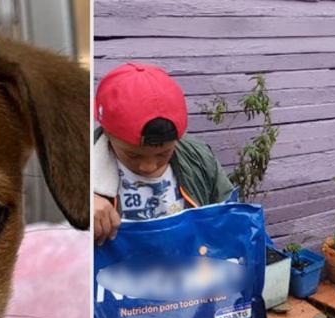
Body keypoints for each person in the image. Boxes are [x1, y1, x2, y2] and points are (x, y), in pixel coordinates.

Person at [92, 62, 235, 245]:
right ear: (107, 131)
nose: (149, 166)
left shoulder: (199, 158)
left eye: (163, 154)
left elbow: (230, 218)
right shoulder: (78, 165)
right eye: (133, 155)